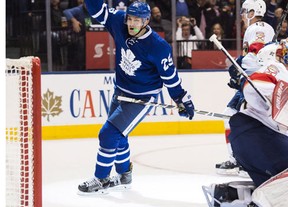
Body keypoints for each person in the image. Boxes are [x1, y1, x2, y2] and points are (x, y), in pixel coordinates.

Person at [78, 0, 195, 194]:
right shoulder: (119, 21)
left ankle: (101, 178)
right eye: (130, 18)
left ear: (147, 21)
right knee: (119, 135)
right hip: (120, 91)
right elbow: (96, 9)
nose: (132, 23)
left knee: (108, 134)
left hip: (142, 98)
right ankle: (124, 174)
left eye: (137, 20)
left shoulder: (158, 46)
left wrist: (181, 98)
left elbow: (170, 77)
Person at [203, 42, 288, 207]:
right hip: (263, 140)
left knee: (272, 180)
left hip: (246, 142)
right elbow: (254, 86)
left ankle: (232, 197)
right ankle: (261, 206)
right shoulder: (276, 67)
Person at [215, 0, 275, 177]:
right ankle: (242, 159)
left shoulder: (258, 28)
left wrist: (239, 64)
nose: (241, 15)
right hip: (254, 81)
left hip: (256, 82)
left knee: (233, 116)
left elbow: (257, 54)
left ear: (253, 12)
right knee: (233, 115)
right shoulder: (262, 28)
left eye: (244, 11)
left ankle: (242, 160)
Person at [63, 0, 94, 70]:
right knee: (80, 45)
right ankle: (78, 67)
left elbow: (89, 24)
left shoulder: (92, 10)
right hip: (77, 36)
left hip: (89, 36)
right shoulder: (79, 9)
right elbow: (66, 12)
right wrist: (74, 21)